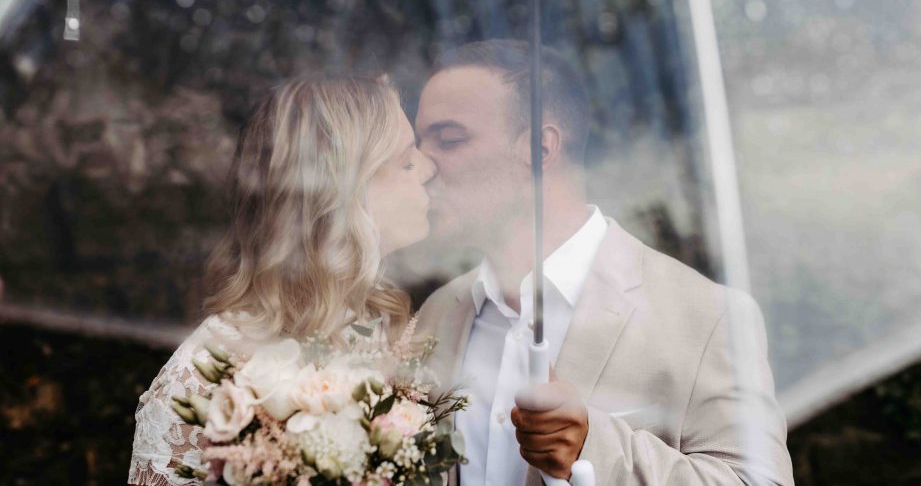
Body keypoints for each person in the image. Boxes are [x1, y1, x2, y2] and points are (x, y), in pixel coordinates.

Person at [414, 40, 794, 485]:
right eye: (419, 143)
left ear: (540, 148)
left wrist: (593, 447)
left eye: (449, 139)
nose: (421, 165)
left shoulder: (707, 317)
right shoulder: (437, 315)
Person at [128, 76, 437, 485]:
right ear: (343, 194)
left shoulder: (385, 328)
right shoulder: (206, 374)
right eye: (407, 162)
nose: (430, 169)